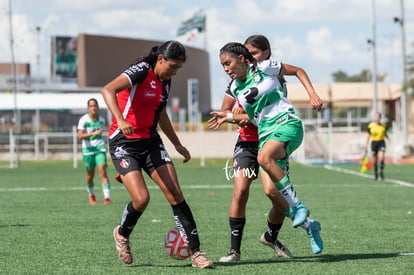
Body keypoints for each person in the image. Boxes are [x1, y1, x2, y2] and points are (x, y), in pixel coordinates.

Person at [101, 40, 213, 269]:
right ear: (160, 59)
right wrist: (120, 120)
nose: (174, 71)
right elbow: (108, 90)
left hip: (151, 142)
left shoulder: (165, 81)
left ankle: (197, 254)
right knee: (142, 199)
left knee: (175, 194)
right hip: (124, 143)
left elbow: (161, 114)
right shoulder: (142, 70)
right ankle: (122, 234)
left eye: (178, 68)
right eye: (172, 66)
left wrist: (177, 144)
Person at [211, 35, 324, 262]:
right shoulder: (236, 85)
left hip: (275, 135)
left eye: (254, 53)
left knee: (273, 193)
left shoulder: (270, 69)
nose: (252, 58)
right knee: (240, 190)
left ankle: (273, 236)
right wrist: (232, 117)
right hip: (249, 142)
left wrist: (312, 94)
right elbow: (232, 111)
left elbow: (298, 71)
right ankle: (234, 250)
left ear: (266, 53)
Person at [77, 98, 111, 205]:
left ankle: (107, 198)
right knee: (90, 176)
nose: (93, 108)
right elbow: (80, 136)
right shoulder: (84, 120)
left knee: (103, 172)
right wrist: (93, 134)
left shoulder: (101, 120)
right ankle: (91, 195)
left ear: (98, 107)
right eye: (91, 106)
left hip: (100, 149)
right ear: (88, 108)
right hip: (88, 151)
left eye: (95, 106)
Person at [365, 112, 389, 180]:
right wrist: (366, 144)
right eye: (376, 117)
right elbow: (368, 135)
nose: (377, 118)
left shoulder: (383, 126)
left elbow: (385, 134)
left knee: (381, 158)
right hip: (374, 143)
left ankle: (381, 172)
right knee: (375, 160)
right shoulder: (371, 126)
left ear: (380, 118)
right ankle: (376, 173)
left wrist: (389, 139)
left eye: (378, 117)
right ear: (374, 118)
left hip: (381, 142)